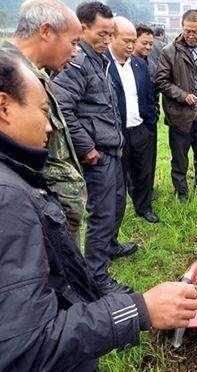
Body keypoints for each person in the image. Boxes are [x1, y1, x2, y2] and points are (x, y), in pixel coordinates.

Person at [0, 52, 197, 372]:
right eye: (42, 110)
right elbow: (28, 348)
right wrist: (140, 310)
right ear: (4, 107)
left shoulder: (15, 178)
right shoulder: (7, 199)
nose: (51, 125)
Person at [53, 2, 135, 295]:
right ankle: (96, 276)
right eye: (102, 33)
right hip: (96, 155)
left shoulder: (99, 60)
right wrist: (87, 148)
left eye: (111, 33)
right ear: (83, 28)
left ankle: (109, 246)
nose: (107, 39)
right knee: (101, 214)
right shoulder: (77, 63)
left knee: (115, 205)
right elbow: (62, 107)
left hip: (110, 149)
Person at [0, 0, 86, 245]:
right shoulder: (11, 76)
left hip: (55, 214)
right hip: (35, 220)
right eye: (73, 42)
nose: (75, 51)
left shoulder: (35, 74)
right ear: (46, 32)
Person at [155, 9, 197, 202]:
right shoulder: (169, 52)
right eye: (187, 31)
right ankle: (181, 193)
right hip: (180, 117)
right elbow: (161, 81)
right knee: (180, 159)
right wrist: (183, 96)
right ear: (182, 28)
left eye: (195, 31)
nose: (191, 35)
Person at [106, 17, 158, 223]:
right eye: (126, 41)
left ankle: (144, 207)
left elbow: (148, 95)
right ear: (112, 38)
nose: (130, 46)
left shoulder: (139, 64)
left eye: (132, 41)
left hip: (141, 127)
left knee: (144, 172)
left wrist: (150, 122)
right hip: (117, 131)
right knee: (119, 176)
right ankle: (116, 213)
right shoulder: (105, 64)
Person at [134, 23, 160, 201]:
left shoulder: (151, 63)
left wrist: (155, 112)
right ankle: (138, 194)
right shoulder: (127, 64)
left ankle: (148, 192)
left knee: (150, 160)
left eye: (150, 44)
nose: (148, 47)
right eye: (144, 43)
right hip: (134, 121)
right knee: (136, 164)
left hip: (150, 119)